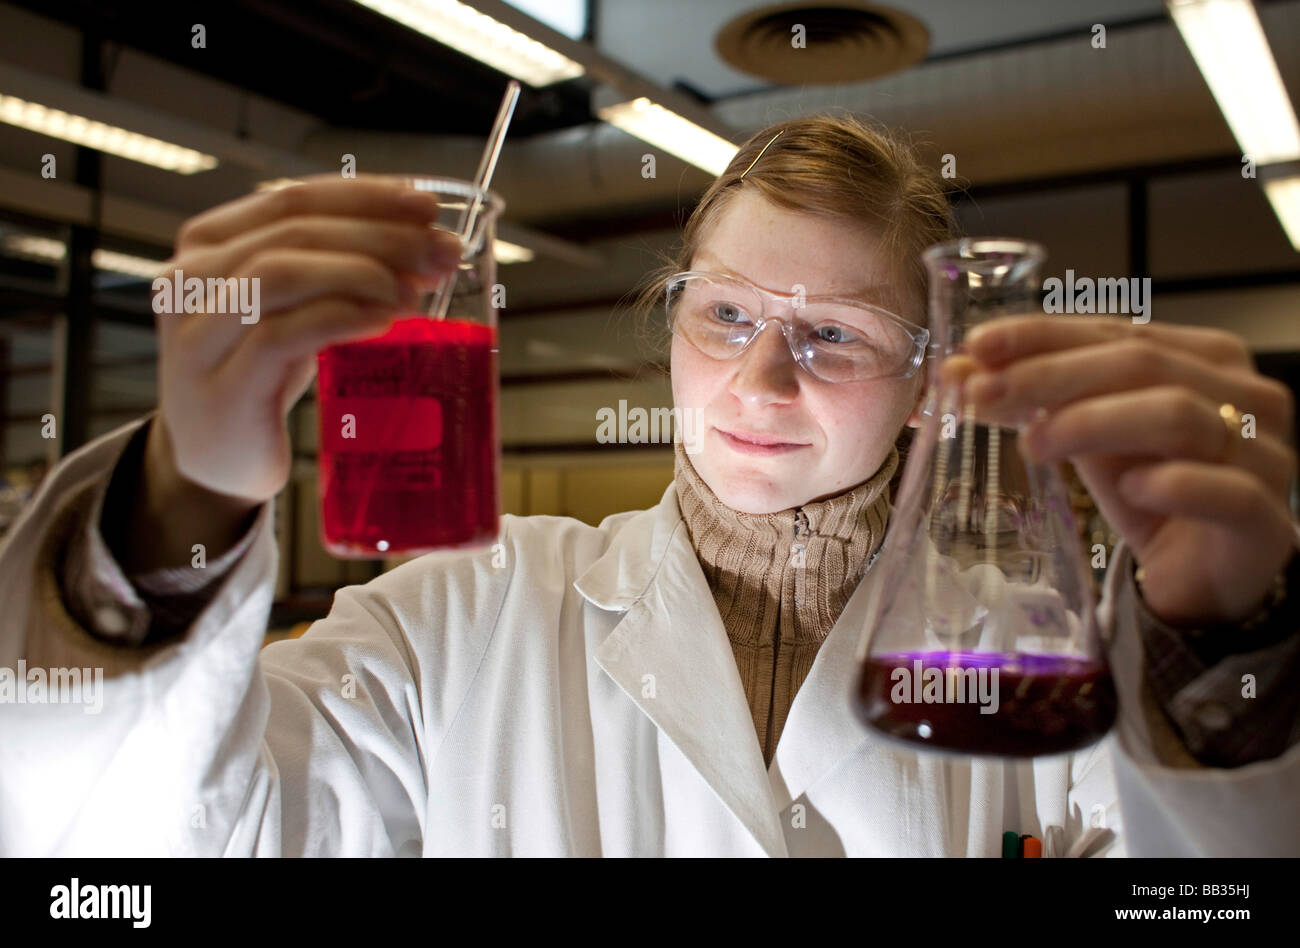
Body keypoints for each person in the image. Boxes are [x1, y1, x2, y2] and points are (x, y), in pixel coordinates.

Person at [2, 116, 1298, 857]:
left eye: (834, 333)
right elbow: (146, 850)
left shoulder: (1035, 658)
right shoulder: (465, 609)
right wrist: (175, 512)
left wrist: (1222, 672)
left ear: (927, 378)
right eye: (726, 313)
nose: (764, 377)